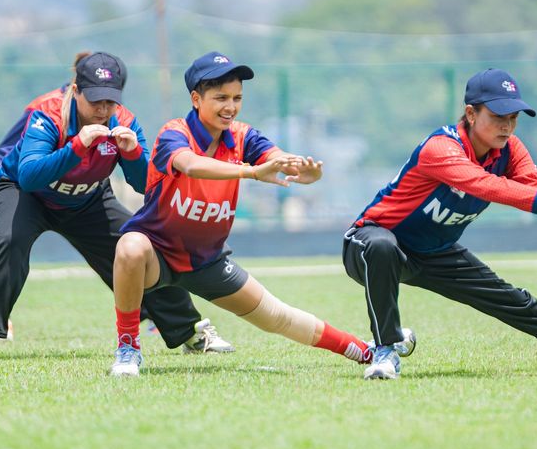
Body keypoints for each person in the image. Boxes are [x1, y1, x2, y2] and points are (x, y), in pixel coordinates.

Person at [343, 68, 537, 380]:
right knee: (382, 245)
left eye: (513, 117)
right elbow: (484, 186)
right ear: (470, 113)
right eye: (498, 116)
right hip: (368, 245)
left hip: (434, 251)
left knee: (510, 299)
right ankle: (385, 351)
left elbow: (534, 187)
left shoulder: (509, 150)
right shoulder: (440, 147)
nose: (507, 126)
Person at [109, 51, 374, 376]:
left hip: (207, 261)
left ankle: (363, 350)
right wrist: (251, 173)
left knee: (277, 317)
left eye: (237, 98)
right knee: (129, 247)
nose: (230, 106)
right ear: (196, 98)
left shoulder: (244, 135)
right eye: (220, 97)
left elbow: (279, 159)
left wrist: (304, 172)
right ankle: (128, 350)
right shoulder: (174, 133)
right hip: (157, 254)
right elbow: (191, 165)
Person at [0, 51, 233, 360]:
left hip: (87, 198)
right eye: (94, 101)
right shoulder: (47, 114)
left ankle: (190, 332)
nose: (103, 110)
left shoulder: (125, 121)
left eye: (110, 101)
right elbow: (30, 175)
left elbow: (147, 185)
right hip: (23, 192)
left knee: (141, 247)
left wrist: (131, 155)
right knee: (10, 241)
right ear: (75, 91)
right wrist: (78, 145)